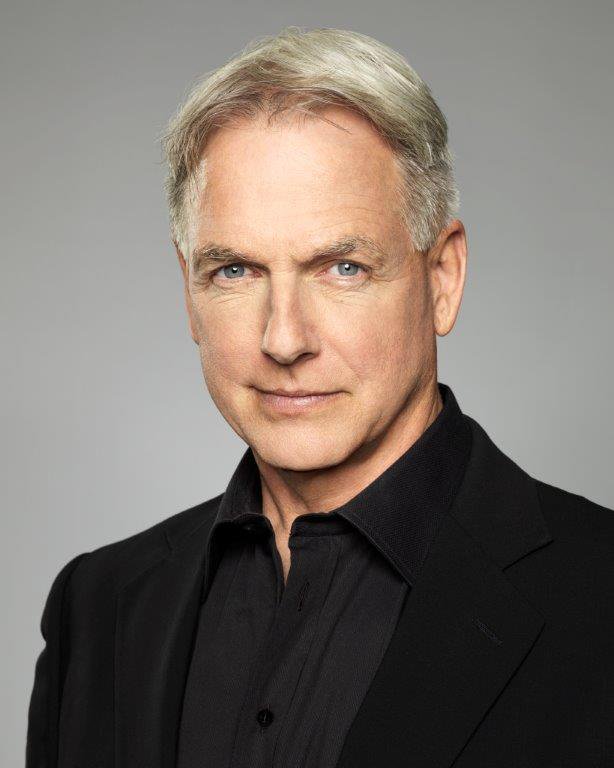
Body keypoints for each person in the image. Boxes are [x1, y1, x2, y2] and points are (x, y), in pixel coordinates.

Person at [26, 26, 614, 768]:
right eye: (236, 270)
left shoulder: (599, 599)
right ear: (188, 291)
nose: (284, 338)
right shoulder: (96, 607)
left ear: (443, 279)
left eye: (342, 267)